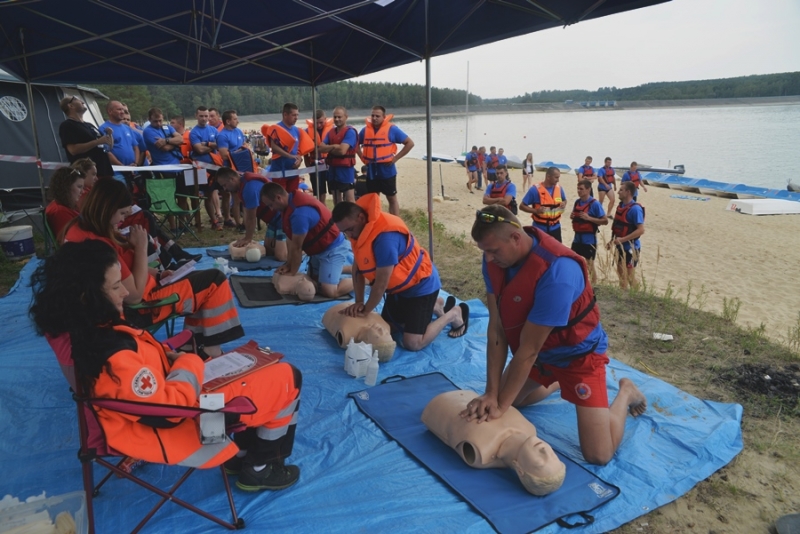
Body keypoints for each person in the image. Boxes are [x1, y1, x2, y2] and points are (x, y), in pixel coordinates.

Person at [29, 240, 302, 492]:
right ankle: (259, 469)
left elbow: (140, 377)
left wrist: (167, 356)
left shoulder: (85, 330)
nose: (126, 291)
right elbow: (169, 413)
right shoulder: (113, 355)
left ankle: (240, 456)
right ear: (87, 296)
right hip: (189, 422)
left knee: (257, 369)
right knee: (289, 378)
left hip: (172, 396)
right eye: (115, 286)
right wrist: (189, 362)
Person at [465, 206, 647, 465]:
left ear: (515, 238)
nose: (489, 259)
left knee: (598, 455)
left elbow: (528, 350)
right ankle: (558, 382)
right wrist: (491, 393)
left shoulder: (558, 271)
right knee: (511, 400)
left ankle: (626, 391)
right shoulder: (495, 259)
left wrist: (500, 407)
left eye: (493, 251)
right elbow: (496, 328)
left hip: (577, 357)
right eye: (485, 252)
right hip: (542, 354)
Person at [64, 178, 244, 355]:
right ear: (107, 209)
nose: (123, 220)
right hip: (141, 307)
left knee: (200, 279)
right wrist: (141, 248)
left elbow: (125, 270)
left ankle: (192, 346)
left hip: (136, 296)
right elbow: (134, 296)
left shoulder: (80, 228)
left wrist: (158, 274)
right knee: (214, 281)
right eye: (122, 214)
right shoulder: (101, 247)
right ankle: (209, 348)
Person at [331, 194, 467, 351]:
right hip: (399, 290)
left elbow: (381, 284)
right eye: (344, 232)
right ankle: (435, 306)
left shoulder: (385, 240)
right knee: (387, 328)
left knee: (412, 343)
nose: (349, 235)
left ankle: (453, 314)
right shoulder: (360, 232)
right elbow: (357, 268)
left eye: (350, 230)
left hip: (421, 288)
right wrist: (359, 301)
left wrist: (366, 309)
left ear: (361, 217)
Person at [422, 389, 566, 496]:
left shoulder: (481, 452)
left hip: (437, 402)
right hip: (470, 393)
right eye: (553, 455)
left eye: (540, 462)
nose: (544, 450)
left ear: (520, 470)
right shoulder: (530, 430)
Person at [260, 181, 354, 298]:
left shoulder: (299, 214)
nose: (271, 209)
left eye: (271, 205)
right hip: (317, 251)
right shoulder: (288, 206)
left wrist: (292, 272)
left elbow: (297, 248)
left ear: (279, 198)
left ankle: (362, 278)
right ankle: (340, 269)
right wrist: (288, 265)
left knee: (328, 291)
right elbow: (290, 241)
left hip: (332, 249)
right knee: (314, 282)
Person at [357, 106, 414, 216]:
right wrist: (362, 157)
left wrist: (395, 158)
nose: (374, 118)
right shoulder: (365, 130)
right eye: (372, 115)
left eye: (377, 116)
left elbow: (410, 143)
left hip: (387, 170)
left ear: (384, 117)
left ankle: (395, 221)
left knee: (391, 198)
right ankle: (376, 220)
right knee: (373, 198)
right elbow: (355, 144)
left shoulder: (392, 129)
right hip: (372, 171)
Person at [58, 95, 114, 179]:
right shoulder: (67, 125)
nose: (83, 102)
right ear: (70, 106)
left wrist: (109, 135)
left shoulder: (90, 125)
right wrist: (97, 142)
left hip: (104, 170)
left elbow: (109, 146)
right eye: (77, 99)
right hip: (86, 173)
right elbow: (73, 150)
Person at [190, 106, 224, 229]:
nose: (204, 118)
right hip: (203, 169)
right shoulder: (194, 132)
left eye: (206, 116)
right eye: (201, 116)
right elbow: (199, 149)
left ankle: (225, 217)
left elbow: (220, 144)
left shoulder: (213, 130)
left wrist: (207, 144)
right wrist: (212, 146)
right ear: (196, 116)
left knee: (224, 192)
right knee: (208, 195)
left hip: (216, 166)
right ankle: (214, 221)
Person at [607, 181, 645, 290]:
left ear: (628, 192)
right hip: (620, 247)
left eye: (621, 190)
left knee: (630, 277)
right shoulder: (621, 206)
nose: (618, 192)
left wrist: (623, 239)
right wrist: (611, 241)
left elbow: (641, 230)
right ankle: (623, 295)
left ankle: (637, 296)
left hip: (631, 248)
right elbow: (618, 227)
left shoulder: (635, 209)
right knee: (621, 276)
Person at [317, 106, 358, 206]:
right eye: (335, 117)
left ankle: (352, 216)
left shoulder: (350, 132)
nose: (337, 119)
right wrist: (335, 146)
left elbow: (342, 151)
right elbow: (320, 148)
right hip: (333, 170)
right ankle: (338, 216)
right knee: (336, 200)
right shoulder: (331, 132)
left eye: (339, 117)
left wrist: (330, 148)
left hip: (346, 171)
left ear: (346, 117)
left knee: (350, 200)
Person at [217, 109, 250, 230]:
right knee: (236, 198)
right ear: (228, 121)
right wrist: (239, 152)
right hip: (231, 170)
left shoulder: (239, 131)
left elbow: (244, 146)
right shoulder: (222, 135)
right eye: (235, 119)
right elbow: (224, 154)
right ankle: (238, 223)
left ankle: (246, 222)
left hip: (243, 168)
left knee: (245, 197)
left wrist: (245, 149)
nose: (237, 121)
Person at [570, 180, 608, 284]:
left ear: (588, 189)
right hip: (577, 238)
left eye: (581, 189)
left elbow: (605, 221)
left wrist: (589, 218)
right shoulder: (577, 202)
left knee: (590, 264)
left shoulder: (595, 204)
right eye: (578, 189)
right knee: (573, 261)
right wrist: (573, 216)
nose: (579, 191)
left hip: (589, 239)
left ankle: (594, 285)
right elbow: (575, 216)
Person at [519, 167, 567, 243]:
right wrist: (536, 211)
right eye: (556, 177)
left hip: (556, 228)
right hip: (540, 228)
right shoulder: (534, 190)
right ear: (548, 177)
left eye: (558, 177)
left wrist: (564, 203)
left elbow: (564, 200)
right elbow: (522, 206)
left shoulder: (559, 188)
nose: (558, 180)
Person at [265, 103, 314, 175]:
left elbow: (297, 150)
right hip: (279, 172)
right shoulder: (276, 129)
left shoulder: (297, 130)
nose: (296, 118)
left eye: (297, 115)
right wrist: (290, 156)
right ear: (285, 115)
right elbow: (274, 147)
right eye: (294, 115)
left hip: (293, 172)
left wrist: (299, 159)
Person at [45, 167, 84, 243]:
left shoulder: (63, 205)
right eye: (79, 187)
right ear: (66, 187)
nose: (82, 191)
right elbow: (70, 241)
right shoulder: (60, 211)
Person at [304, 109, 333, 204]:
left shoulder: (332, 130)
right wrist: (308, 166)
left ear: (325, 119)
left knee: (334, 190)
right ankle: (321, 207)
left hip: (330, 164)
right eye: (316, 123)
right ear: (313, 121)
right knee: (320, 191)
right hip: (315, 164)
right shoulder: (307, 132)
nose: (319, 125)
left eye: (321, 122)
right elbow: (305, 152)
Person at [99, 101, 139, 167]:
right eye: (119, 109)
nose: (122, 112)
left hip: (133, 169)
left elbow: (135, 147)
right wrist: (122, 167)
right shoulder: (104, 128)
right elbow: (106, 152)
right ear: (110, 111)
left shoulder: (127, 128)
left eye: (123, 110)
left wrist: (136, 163)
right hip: (117, 170)